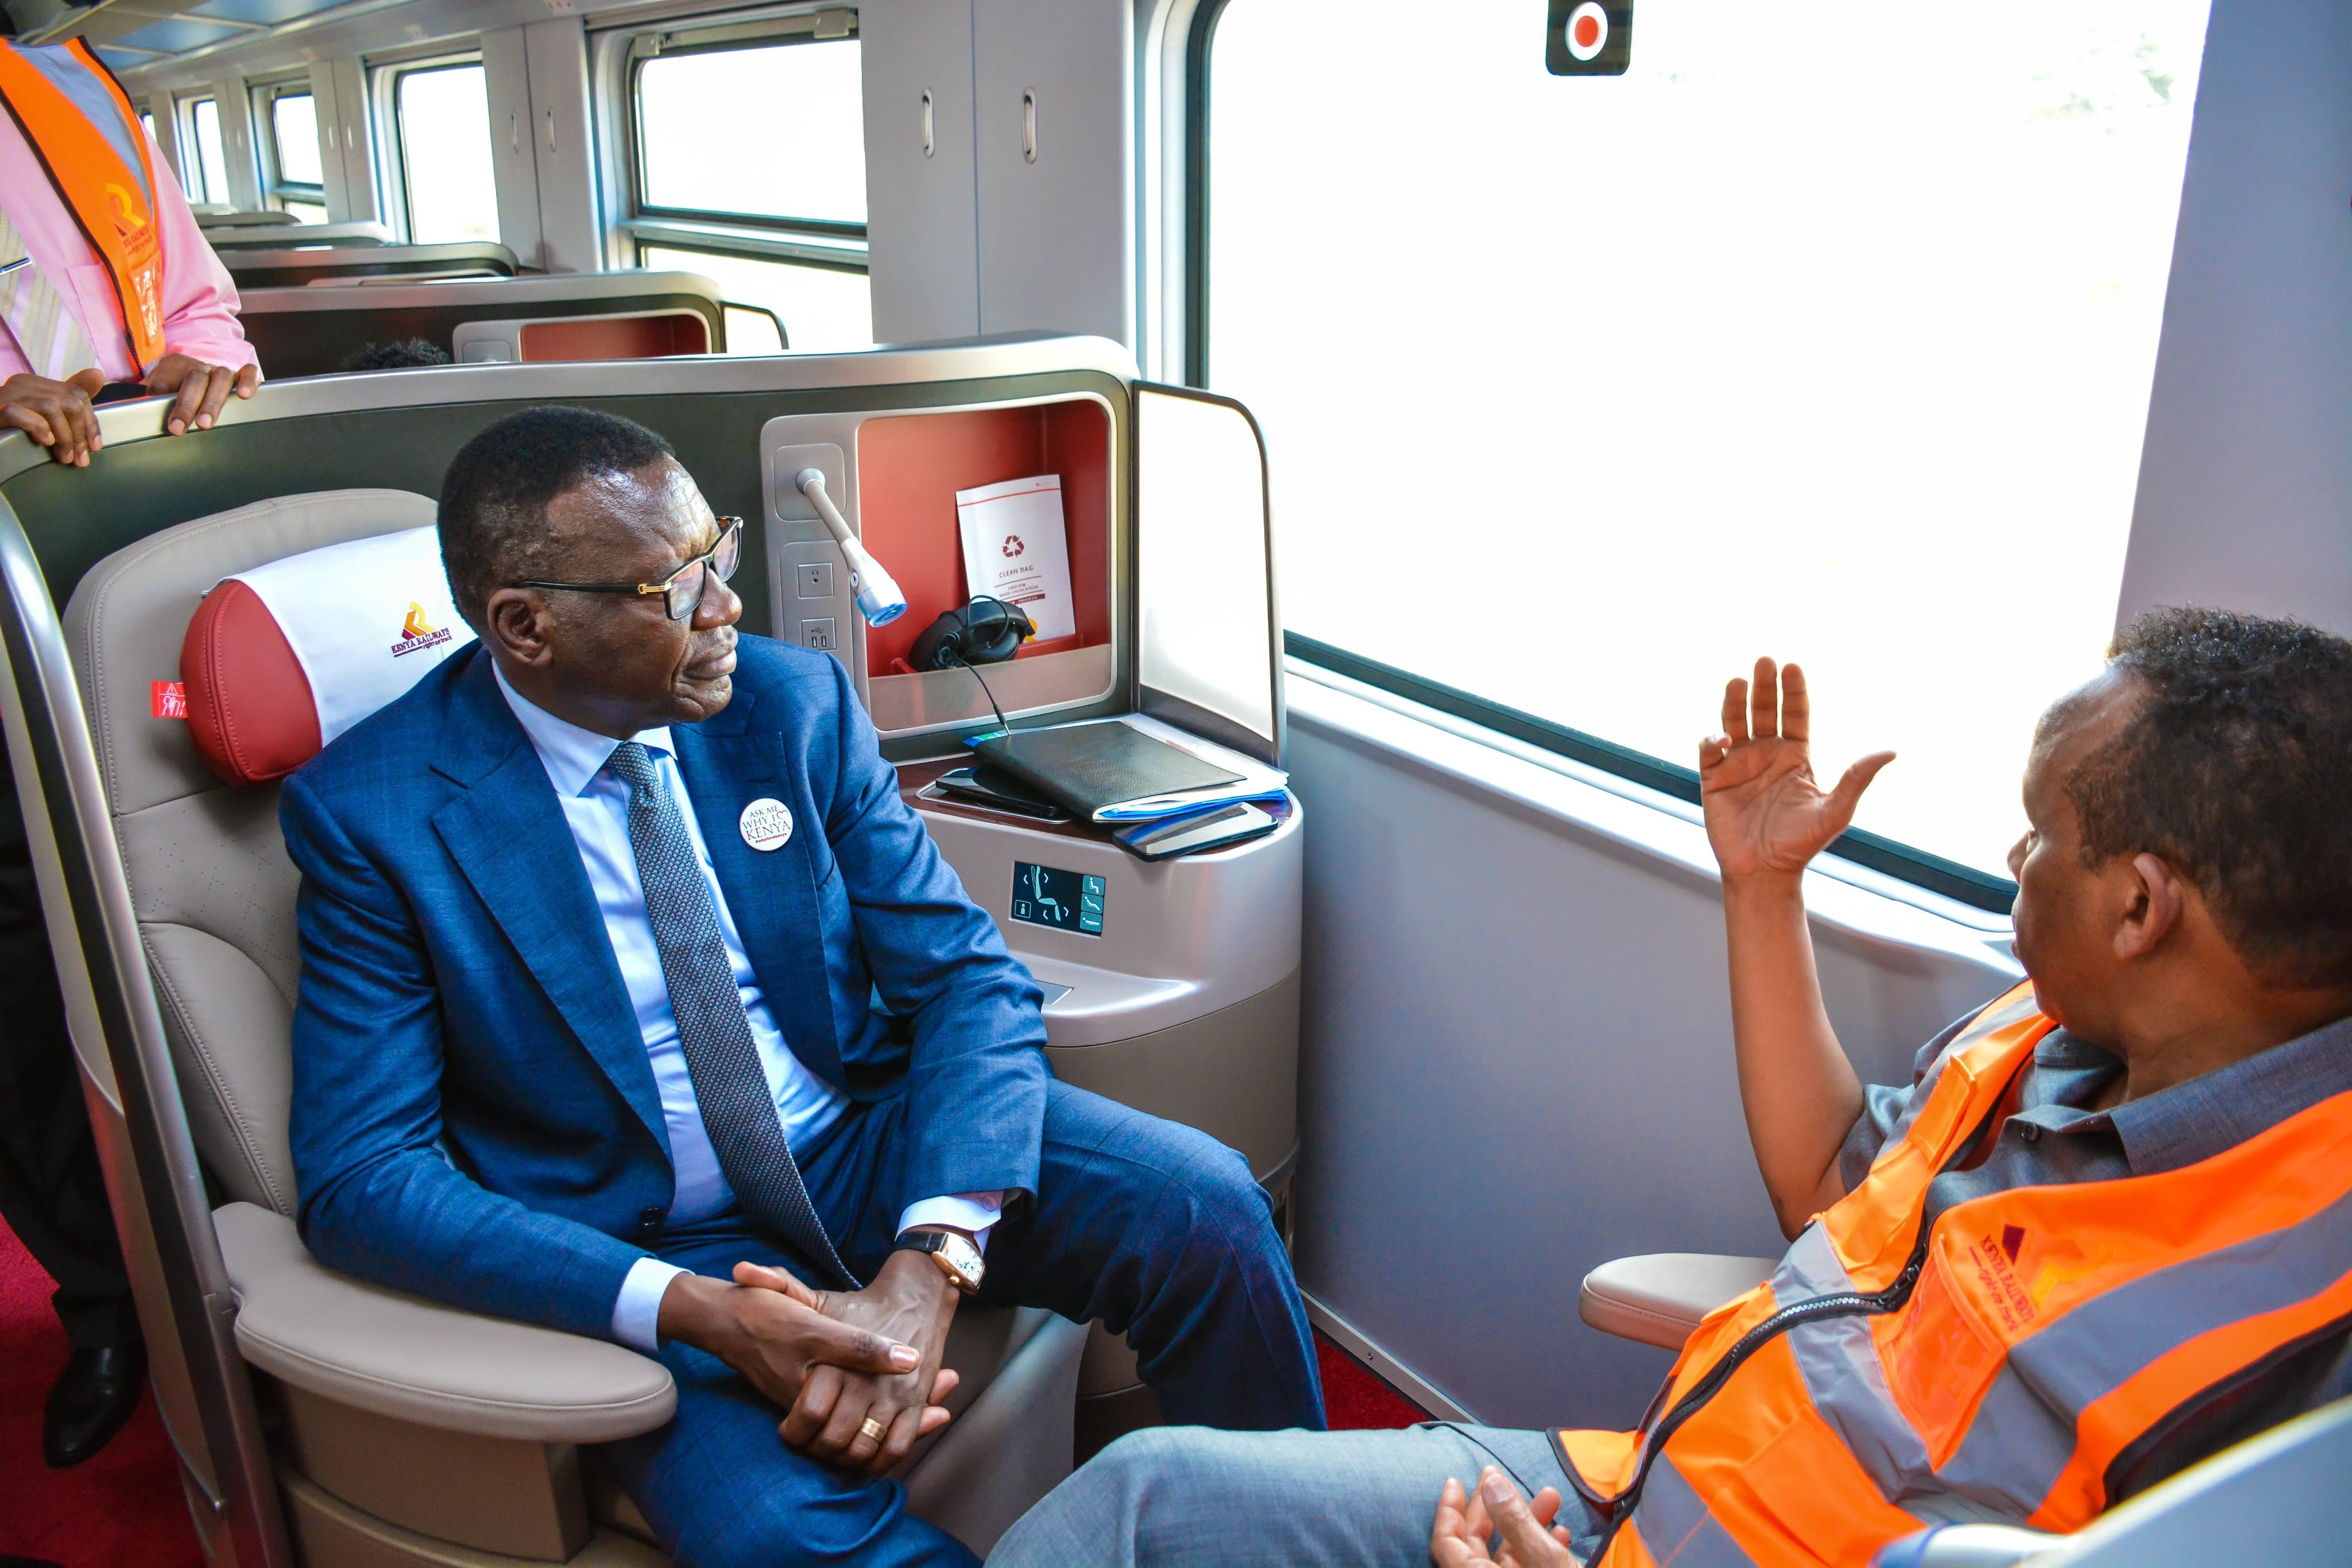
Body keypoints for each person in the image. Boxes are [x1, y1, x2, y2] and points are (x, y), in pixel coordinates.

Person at [988, 608, 2352, 1568]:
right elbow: (1826, 1178)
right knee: (1135, 1504)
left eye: (2039, 830)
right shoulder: (2041, 1033)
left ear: (2136, 906)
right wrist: (1761, 889)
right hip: (1629, 1485)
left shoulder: (2302, 1314)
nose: (2011, 856)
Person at [282, 407, 1322, 1567]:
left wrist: (930, 1264)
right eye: (672, 591)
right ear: (525, 626)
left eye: (715, 557)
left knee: (1204, 1207)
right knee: (778, 1538)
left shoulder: (794, 706)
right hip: (650, 1232)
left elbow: (967, 983)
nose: (726, 607)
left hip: (856, 1140)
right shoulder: (370, 816)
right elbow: (362, 1177)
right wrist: (698, 1313)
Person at [0, 30, 260, 1470]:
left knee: (199, 899)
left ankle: (233, 1254)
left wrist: (201, 364)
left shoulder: (77, 83)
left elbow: (203, 297)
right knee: (20, 984)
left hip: (114, 554)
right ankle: (105, 1302)